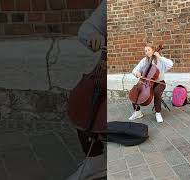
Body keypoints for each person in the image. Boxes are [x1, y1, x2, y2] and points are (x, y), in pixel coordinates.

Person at [66, 1, 106, 180]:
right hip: (105, 71)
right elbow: (86, 28)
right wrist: (94, 35)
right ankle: (95, 160)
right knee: (83, 100)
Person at [128, 42, 173, 123]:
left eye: (149, 50)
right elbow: (135, 70)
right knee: (135, 91)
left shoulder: (160, 60)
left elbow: (170, 64)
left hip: (159, 82)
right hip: (145, 82)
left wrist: (159, 57)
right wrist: (137, 73)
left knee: (156, 92)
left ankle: (158, 113)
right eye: (145, 51)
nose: (147, 52)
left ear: (153, 50)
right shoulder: (144, 60)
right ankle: (137, 112)